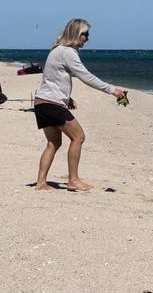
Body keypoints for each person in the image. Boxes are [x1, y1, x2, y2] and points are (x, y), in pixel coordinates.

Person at [32, 19, 127, 191]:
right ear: (77, 33)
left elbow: (52, 77)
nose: (87, 39)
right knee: (78, 137)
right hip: (52, 104)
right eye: (85, 34)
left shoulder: (56, 50)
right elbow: (85, 76)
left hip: (41, 102)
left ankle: (41, 183)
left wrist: (67, 99)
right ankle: (73, 180)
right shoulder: (68, 52)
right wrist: (111, 90)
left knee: (53, 143)